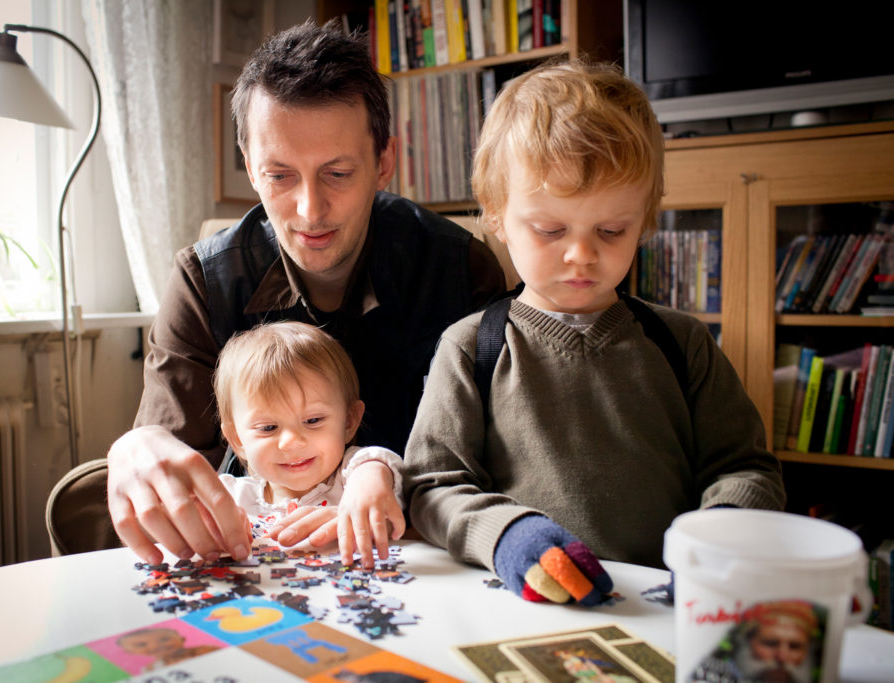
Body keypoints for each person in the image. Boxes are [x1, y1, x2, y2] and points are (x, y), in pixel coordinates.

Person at [101, 19, 506, 567]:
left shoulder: (458, 268)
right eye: (280, 176)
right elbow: (175, 461)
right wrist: (136, 447)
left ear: (384, 162)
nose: (310, 211)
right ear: (250, 167)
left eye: (337, 173)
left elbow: (495, 465)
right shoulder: (203, 279)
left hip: (420, 557)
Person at [401, 61, 786, 606]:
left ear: (646, 220)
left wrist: (724, 531)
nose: (581, 254)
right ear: (496, 215)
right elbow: (430, 487)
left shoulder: (684, 343)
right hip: (525, 606)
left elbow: (747, 468)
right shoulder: (469, 348)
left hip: (670, 606)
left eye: (611, 230)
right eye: (550, 229)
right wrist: (509, 536)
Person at [213, 321, 404, 562]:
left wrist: (371, 479)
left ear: (349, 421)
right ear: (237, 439)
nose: (291, 442)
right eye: (268, 428)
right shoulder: (229, 496)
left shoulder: (353, 478)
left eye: (313, 420)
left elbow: (376, 462)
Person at [688, 600, 820, 683]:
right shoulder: (709, 672)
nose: (782, 656)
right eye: (771, 643)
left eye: (795, 646)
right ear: (746, 641)